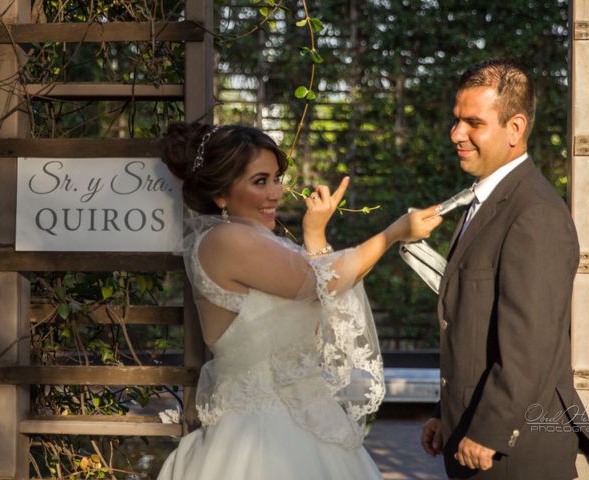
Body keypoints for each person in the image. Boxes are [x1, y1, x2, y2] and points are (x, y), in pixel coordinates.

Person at [156, 122, 443, 479]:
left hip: (306, 420)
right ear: (221, 195)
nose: (276, 192)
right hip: (259, 436)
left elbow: (320, 294)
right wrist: (392, 233)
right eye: (260, 181)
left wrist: (314, 233)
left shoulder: (264, 241)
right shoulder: (225, 240)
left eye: (277, 178)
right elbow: (322, 281)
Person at [420, 59, 589, 479]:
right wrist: (446, 412)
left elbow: (530, 344)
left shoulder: (534, 214)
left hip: (516, 453)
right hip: (472, 433)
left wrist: (489, 430)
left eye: (473, 123)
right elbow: (474, 329)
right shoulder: (485, 203)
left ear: (515, 129)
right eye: (456, 120)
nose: (456, 135)